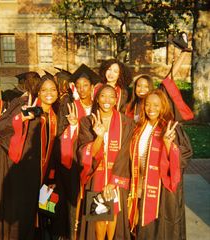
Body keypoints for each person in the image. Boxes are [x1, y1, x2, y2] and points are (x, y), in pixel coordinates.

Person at [0, 73, 59, 240]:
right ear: (38, 91)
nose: (49, 93)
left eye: (52, 89)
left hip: (33, 172)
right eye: (44, 90)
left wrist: (49, 178)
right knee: (14, 214)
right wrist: (20, 118)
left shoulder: (52, 115)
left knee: (31, 213)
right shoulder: (24, 103)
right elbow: (0, 128)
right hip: (10, 165)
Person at [128, 89, 193, 240]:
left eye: (156, 105)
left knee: (161, 229)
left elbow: (184, 156)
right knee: (142, 228)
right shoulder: (138, 128)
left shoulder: (171, 128)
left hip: (163, 189)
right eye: (148, 105)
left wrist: (168, 144)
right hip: (140, 184)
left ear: (163, 106)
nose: (151, 109)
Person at [77, 84, 134, 240]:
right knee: (99, 217)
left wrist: (113, 181)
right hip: (96, 174)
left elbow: (125, 152)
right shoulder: (87, 122)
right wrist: (100, 136)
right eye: (103, 96)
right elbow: (86, 153)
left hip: (117, 176)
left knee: (114, 215)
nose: (107, 100)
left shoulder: (126, 122)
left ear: (116, 100)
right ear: (97, 99)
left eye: (111, 96)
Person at [56, 63, 101, 239]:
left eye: (85, 85)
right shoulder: (69, 106)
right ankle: (72, 233)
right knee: (74, 200)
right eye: (79, 86)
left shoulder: (100, 106)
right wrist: (73, 126)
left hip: (95, 160)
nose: (82, 89)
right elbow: (60, 133)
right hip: (74, 160)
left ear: (92, 87)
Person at [125, 33, 194, 123]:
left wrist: (184, 52)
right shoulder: (129, 107)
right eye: (139, 86)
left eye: (146, 86)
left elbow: (169, 77)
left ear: (150, 87)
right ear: (134, 88)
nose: (142, 89)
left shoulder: (158, 97)